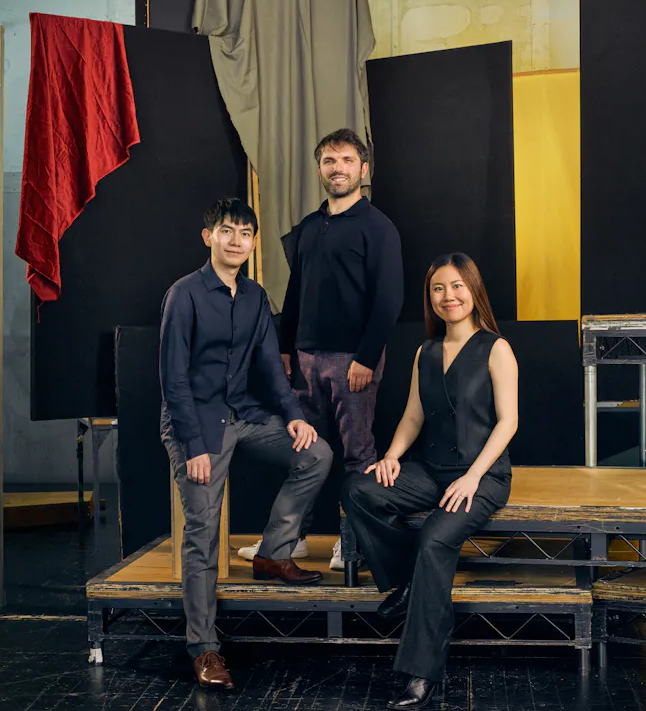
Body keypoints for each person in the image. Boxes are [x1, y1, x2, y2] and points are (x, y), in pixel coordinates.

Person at [160, 198, 333, 690]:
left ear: (254, 243)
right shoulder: (184, 295)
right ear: (208, 237)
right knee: (202, 533)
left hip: (242, 415)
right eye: (227, 231)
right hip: (196, 425)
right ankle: (203, 647)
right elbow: (173, 378)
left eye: (245, 233)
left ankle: (272, 552)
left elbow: (270, 368)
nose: (236, 240)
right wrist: (193, 445)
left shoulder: (255, 296)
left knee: (316, 454)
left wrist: (294, 417)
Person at [341, 253, 518, 709]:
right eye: (438, 288)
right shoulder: (426, 352)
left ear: (473, 290)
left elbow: (508, 422)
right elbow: (413, 416)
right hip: (432, 469)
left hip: (482, 475)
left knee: (435, 539)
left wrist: (474, 477)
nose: (448, 296)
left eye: (457, 286)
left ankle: (421, 673)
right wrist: (391, 457)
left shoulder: (496, 348)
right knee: (360, 489)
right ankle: (408, 584)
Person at [236, 128, 404, 570]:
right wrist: (285, 348)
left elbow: (389, 299)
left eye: (347, 160)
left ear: (362, 170)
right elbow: (295, 294)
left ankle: (352, 544)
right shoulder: (310, 228)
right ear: (319, 170)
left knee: (357, 455)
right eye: (330, 161)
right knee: (304, 453)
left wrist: (366, 357)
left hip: (353, 361)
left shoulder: (379, 228)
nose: (338, 168)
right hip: (305, 358)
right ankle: (291, 539)